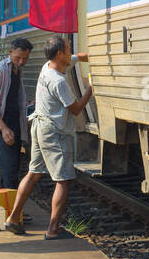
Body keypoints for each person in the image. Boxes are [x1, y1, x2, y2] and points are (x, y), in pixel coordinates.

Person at [5, 35, 89, 240]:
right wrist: (90, 89)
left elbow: (72, 59)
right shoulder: (59, 81)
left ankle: (13, 219)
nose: (71, 52)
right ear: (60, 54)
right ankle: (52, 230)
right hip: (54, 133)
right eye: (68, 49)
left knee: (33, 173)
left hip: (39, 127)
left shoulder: (47, 66)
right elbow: (76, 109)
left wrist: (87, 57)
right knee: (63, 180)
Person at [0, 37, 32, 195]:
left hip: (15, 122)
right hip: (2, 124)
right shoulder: (0, 70)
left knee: (11, 166)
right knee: (10, 168)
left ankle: (7, 207)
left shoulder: (18, 69)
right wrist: (3, 128)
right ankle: (13, 212)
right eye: (17, 57)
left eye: (25, 58)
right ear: (10, 52)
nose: (21, 61)